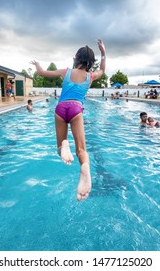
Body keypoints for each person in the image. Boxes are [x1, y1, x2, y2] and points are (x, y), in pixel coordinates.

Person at [31, 39, 106, 201]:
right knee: (81, 151)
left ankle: (64, 144)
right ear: (91, 63)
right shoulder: (90, 76)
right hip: (76, 110)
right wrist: (103, 53)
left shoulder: (65, 72)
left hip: (60, 108)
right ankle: (84, 168)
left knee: (60, 149)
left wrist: (37, 64)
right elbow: (103, 70)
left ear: (75, 58)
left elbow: (42, 73)